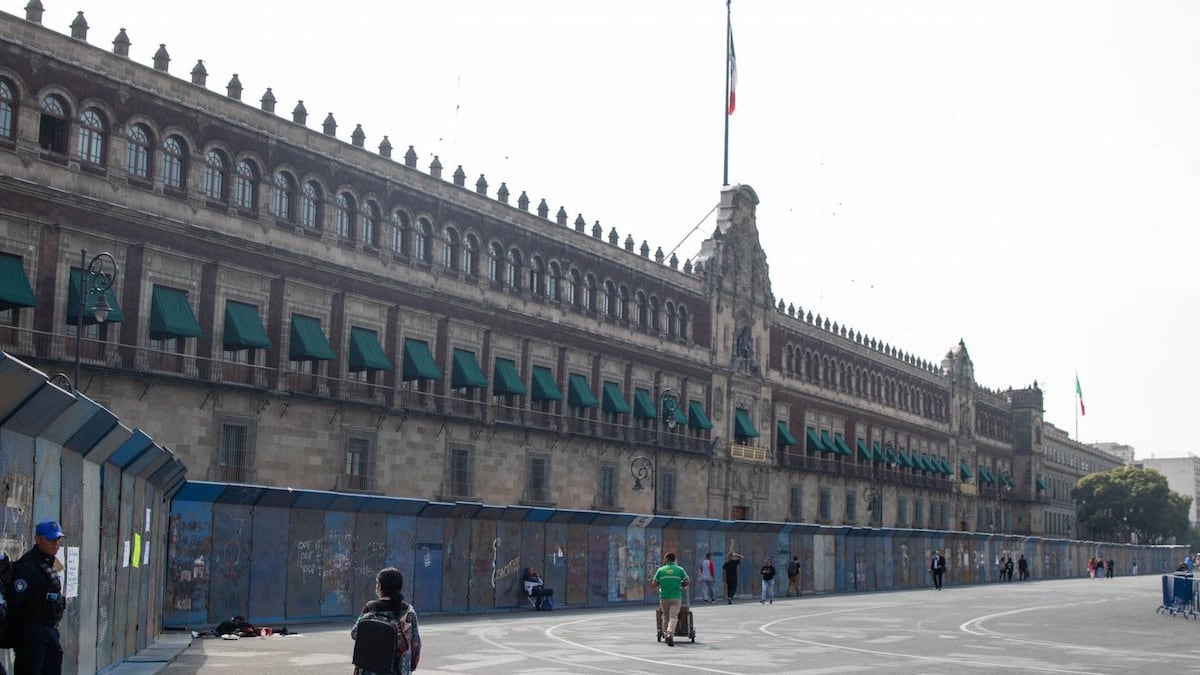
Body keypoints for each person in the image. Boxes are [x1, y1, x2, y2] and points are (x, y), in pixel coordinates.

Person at [8, 520, 69, 675]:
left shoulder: (48, 564)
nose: (56, 544)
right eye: (51, 540)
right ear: (38, 540)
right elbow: (15, 602)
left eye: (58, 539)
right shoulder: (27, 566)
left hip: (49, 631)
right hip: (31, 635)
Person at [352, 567, 420, 675]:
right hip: (397, 670)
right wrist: (410, 667)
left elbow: (355, 633)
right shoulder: (408, 611)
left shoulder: (370, 608)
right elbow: (415, 643)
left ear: (379, 585)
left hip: (369, 669)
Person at [652, 552, 689, 647]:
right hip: (676, 597)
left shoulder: (661, 570)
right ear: (674, 559)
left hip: (664, 597)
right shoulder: (679, 569)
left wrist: (661, 584)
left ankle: (665, 634)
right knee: (673, 616)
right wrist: (680, 585)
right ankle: (669, 633)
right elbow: (687, 581)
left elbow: (654, 583)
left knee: (665, 616)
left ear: (667, 559)